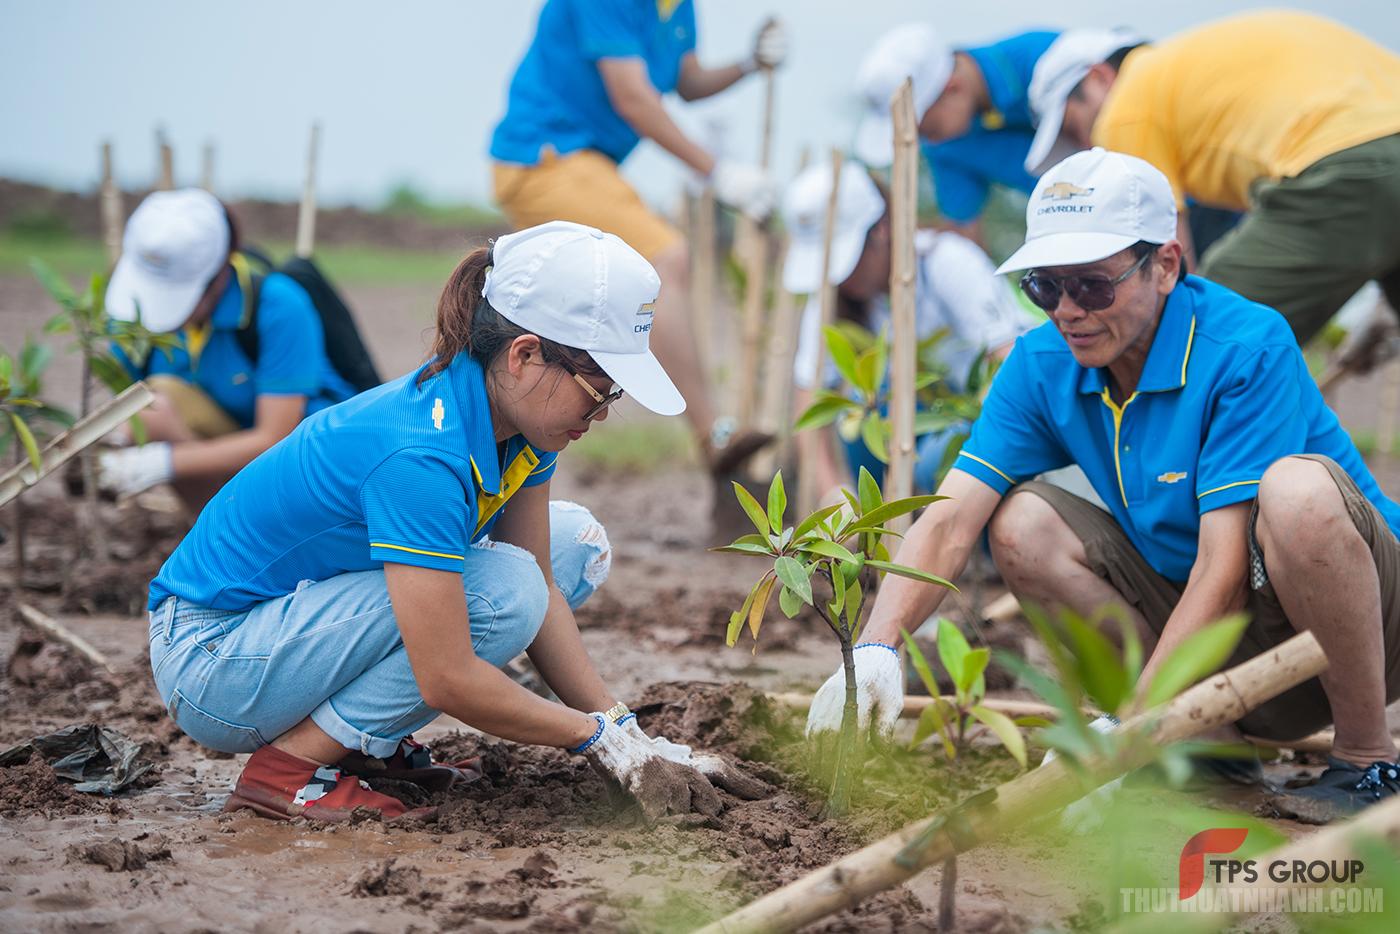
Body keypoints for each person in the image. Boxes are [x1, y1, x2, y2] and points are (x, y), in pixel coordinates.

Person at [806, 149, 1400, 819]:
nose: (1067, 311)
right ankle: (1206, 752)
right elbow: (948, 519)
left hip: (1364, 627)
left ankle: (1364, 760)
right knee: (1021, 523)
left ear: (1166, 266)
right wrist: (877, 645)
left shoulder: (1245, 346)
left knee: (1298, 494)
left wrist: (1135, 724)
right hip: (1219, 644)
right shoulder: (1042, 363)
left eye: (1091, 284)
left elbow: (1226, 566)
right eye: (1044, 287)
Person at [148, 221, 739, 822]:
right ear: (526, 353)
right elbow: (447, 677)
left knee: (569, 545)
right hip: (212, 659)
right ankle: (290, 768)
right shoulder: (422, 454)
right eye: (599, 388)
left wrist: (628, 734)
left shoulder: (521, 423)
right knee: (504, 592)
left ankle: (363, 745)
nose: (603, 411)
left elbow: (543, 582)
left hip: (287, 632)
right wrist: (593, 739)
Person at [489, 0, 784, 478]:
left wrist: (748, 63)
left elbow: (686, 81)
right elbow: (633, 97)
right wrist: (718, 172)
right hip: (543, 158)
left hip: (589, 164)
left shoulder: (678, 6)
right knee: (666, 260)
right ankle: (714, 439)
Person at [1023, 10, 1400, 347]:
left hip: (1347, 166)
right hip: (1370, 159)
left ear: (1099, 77)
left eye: (1075, 128)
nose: (1091, 144)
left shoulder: (1127, 103)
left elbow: (1168, 269)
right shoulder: (1188, 71)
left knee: (1199, 328)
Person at [781, 161, 1031, 497]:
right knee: (859, 408)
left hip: (977, 419)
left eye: (849, 258)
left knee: (933, 462)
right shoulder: (830, 300)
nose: (841, 277)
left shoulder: (948, 262)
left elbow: (1008, 364)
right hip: (909, 422)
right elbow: (809, 403)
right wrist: (833, 494)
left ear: (881, 229)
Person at [99, 188, 356, 510]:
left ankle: (245, 537)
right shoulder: (132, 318)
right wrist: (106, 447)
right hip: (226, 456)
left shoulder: (277, 306)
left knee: (159, 401)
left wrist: (160, 462)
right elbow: (130, 408)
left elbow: (274, 438)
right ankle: (214, 534)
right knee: (151, 406)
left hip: (302, 468)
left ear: (220, 275)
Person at [852, 23, 1059, 242]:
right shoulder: (944, 143)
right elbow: (964, 235)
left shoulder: (1044, 58)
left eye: (924, 127)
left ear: (953, 88)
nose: (922, 139)